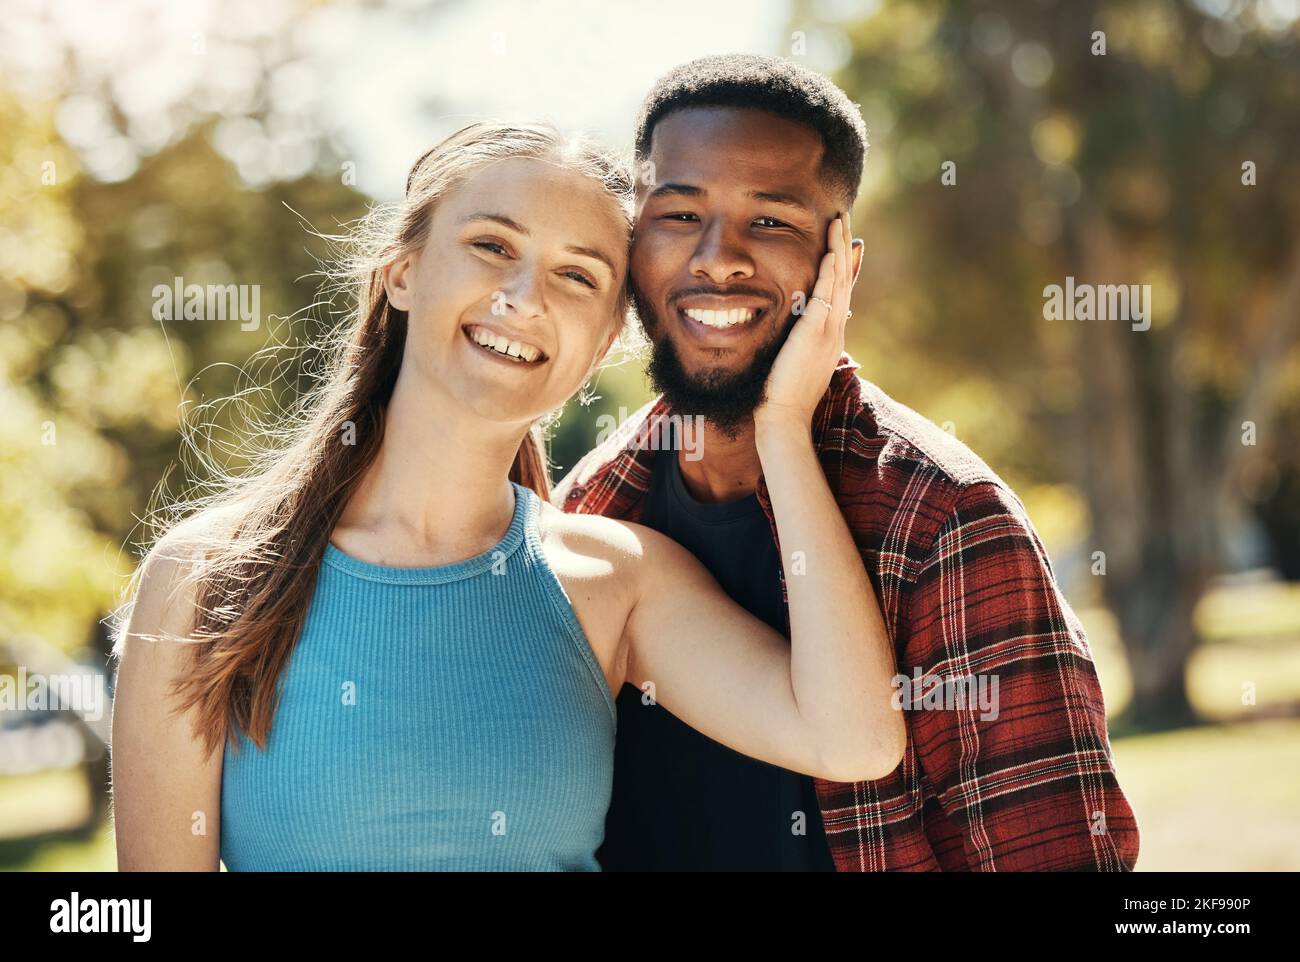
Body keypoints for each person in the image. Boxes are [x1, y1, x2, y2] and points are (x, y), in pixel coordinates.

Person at [109, 120, 903, 871]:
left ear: (601, 346)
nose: (525, 297)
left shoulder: (616, 584)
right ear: (403, 273)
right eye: (492, 245)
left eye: (576, 276)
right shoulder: (205, 580)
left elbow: (855, 741)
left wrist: (784, 425)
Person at [555, 54, 1141, 871]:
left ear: (843, 269)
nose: (718, 258)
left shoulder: (946, 520)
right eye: (680, 215)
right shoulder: (588, 508)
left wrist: (783, 432)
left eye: (771, 222)